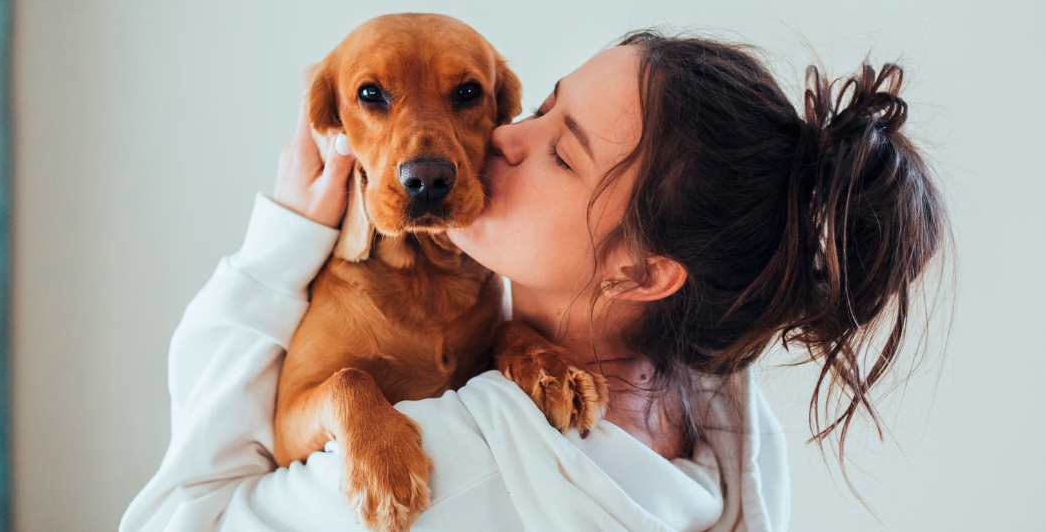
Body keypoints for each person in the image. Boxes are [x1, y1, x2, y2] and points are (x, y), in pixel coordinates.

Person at [120, 30, 948, 532]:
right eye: (543, 105)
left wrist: (276, 249)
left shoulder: (461, 467)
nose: (508, 138)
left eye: (562, 151)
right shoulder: (721, 428)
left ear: (645, 270)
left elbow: (169, 518)